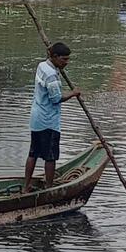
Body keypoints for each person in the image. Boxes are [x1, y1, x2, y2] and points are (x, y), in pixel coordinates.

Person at [23, 42, 82, 195]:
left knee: (33, 153)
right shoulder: (51, 75)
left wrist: (57, 65)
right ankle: (49, 188)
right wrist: (73, 93)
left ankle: (26, 186)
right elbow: (56, 98)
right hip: (48, 120)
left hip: (36, 118)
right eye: (64, 60)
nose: (66, 63)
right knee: (51, 156)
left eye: (68, 60)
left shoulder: (42, 65)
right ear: (54, 57)